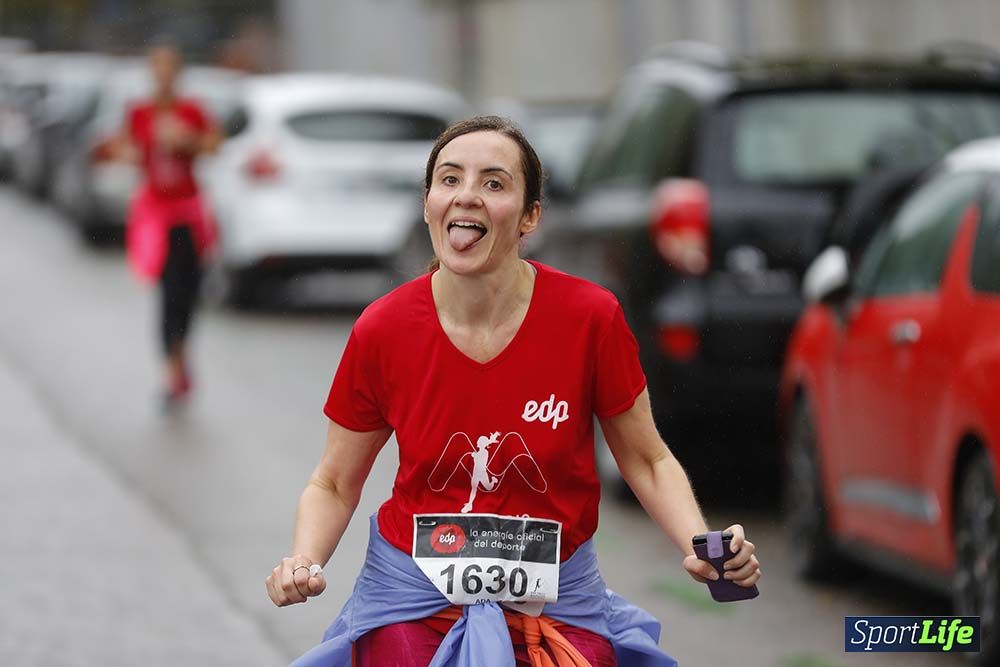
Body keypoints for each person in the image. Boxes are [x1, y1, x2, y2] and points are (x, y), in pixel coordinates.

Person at [266, 116, 761, 666]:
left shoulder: (589, 318)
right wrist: (304, 561)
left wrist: (699, 543)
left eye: (494, 183)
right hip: (413, 597)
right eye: (449, 180)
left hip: (555, 603)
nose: (467, 197)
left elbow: (646, 459)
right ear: (429, 203)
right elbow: (334, 482)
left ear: (531, 217)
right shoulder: (383, 328)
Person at [100, 43, 220, 407]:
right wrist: (125, 151)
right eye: (158, 68)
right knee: (168, 294)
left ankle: (182, 357)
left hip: (189, 214)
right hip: (157, 217)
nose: (164, 75)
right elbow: (117, 146)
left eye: (170, 68)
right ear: (152, 73)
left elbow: (214, 144)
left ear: (178, 73)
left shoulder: (192, 110)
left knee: (189, 293)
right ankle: (172, 370)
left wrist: (189, 140)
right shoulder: (139, 112)